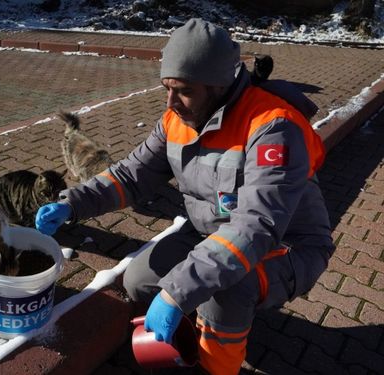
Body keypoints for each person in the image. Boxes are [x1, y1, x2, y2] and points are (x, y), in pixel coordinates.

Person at [35, 18, 335, 375]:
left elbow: (257, 226)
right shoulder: (176, 120)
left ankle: (217, 367)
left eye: (184, 90)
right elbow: (131, 176)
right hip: (211, 233)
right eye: (166, 88)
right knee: (139, 281)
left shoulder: (272, 127)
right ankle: (201, 324)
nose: (171, 101)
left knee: (226, 289)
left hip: (285, 244)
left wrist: (178, 292)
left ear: (219, 85)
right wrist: (72, 203)